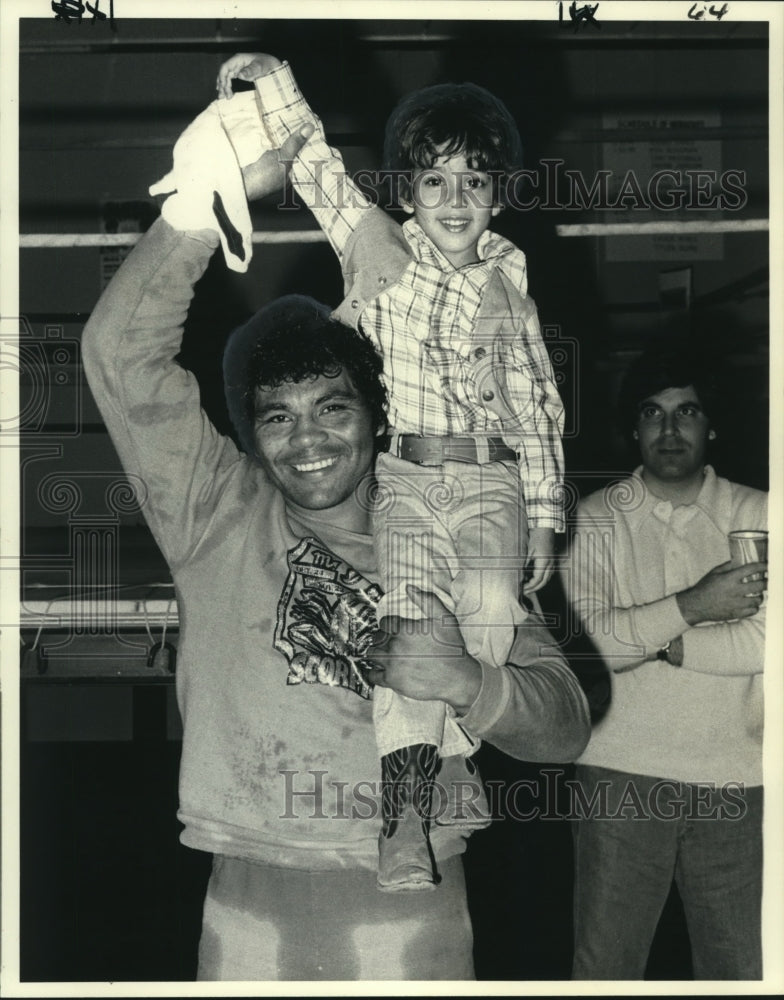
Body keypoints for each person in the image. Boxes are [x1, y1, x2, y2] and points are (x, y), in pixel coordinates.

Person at [80, 93, 590, 981]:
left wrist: (473, 684)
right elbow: (120, 358)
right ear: (250, 432)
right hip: (248, 899)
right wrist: (198, 206)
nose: (307, 438)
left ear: (378, 413)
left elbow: (565, 727)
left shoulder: (444, 523)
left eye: (333, 407)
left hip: (412, 906)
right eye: (277, 416)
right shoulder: (213, 512)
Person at [215, 52, 566, 891]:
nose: (455, 202)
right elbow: (315, 162)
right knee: (411, 630)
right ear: (408, 191)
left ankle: (439, 748)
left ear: (498, 194)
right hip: (407, 481)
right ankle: (404, 818)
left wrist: (547, 512)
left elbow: (538, 403)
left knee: (486, 610)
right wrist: (271, 78)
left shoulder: (511, 288)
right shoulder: (380, 248)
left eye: (474, 184)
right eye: (435, 183)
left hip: (490, 483)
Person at [562, 343, 767, 980]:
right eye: (654, 413)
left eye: (687, 413)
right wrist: (695, 605)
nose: (670, 430)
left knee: (740, 971)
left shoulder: (760, 514)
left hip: (738, 778)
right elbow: (592, 650)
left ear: (712, 425)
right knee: (605, 972)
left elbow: (769, 644)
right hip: (620, 775)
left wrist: (662, 640)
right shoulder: (590, 521)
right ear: (634, 427)